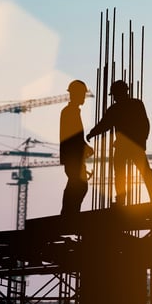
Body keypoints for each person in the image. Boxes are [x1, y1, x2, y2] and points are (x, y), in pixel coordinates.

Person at [86, 79, 152, 206]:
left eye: (115, 95)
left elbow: (104, 125)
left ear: (119, 93)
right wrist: (142, 141)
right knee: (144, 172)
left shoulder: (117, 108)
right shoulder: (136, 104)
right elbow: (145, 124)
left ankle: (121, 200)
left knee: (121, 173)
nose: (114, 98)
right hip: (134, 145)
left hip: (124, 146)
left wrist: (92, 133)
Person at [60, 79, 94, 215]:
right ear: (75, 94)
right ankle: (68, 214)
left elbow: (75, 136)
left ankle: (70, 213)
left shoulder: (72, 111)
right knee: (78, 185)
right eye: (82, 94)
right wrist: (84, 148)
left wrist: (85, 147)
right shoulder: (69, 112)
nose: (83, 97)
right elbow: (72, 136)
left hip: (74, 156)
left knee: (77, 184)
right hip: (72, 156)